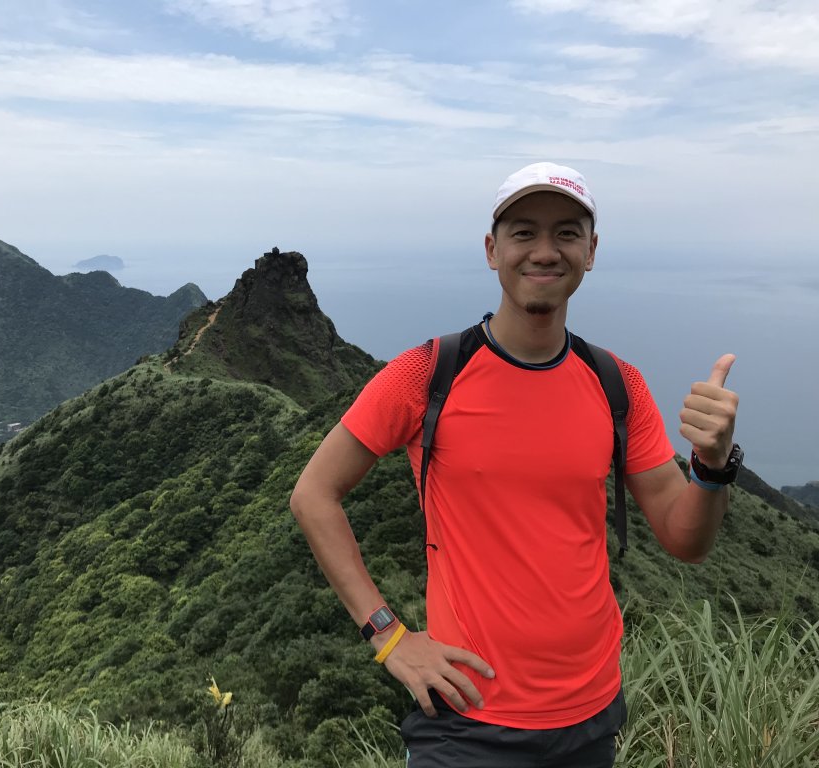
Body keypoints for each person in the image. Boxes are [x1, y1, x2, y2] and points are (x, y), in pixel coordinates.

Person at [289, 162, 741, 767]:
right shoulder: (425, 374)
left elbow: (685, 539)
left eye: (567, 233)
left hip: (591, 714)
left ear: (591, 251)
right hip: (467, 721)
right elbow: (313, 495)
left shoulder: (616, 385)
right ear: (492, 249)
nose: (545, 251)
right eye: (524, 232)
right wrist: (388, 637)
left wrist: (712, 467)